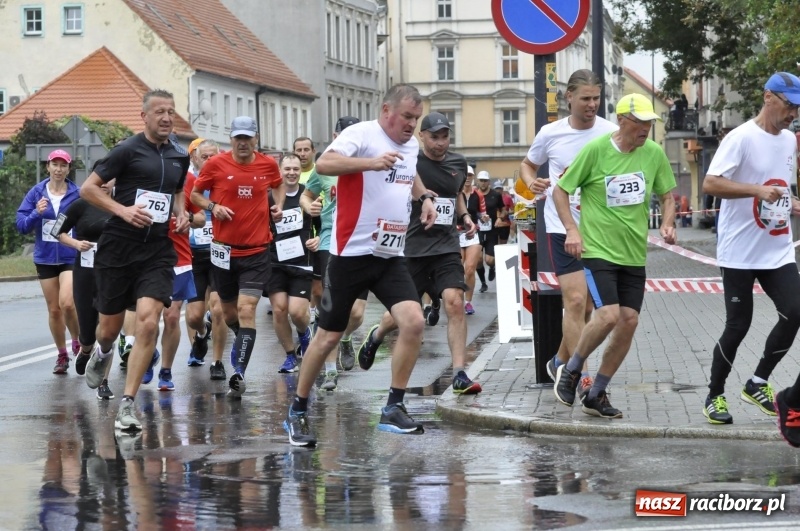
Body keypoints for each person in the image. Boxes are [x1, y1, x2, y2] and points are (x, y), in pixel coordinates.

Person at [283, 84, 437, 447]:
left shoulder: (410, 144)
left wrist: (425, 197)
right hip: (349, 256)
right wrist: (370, 162)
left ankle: (393, 408)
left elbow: (409, 172)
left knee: (413, 322)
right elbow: (324, 164)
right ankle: (298, 410)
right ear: (387, 110)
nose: (412, 126)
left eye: (416, 119)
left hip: (388, 255)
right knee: (328, 338)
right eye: (407, 118)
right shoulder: (361, 134)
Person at [552, 93, 676, 419]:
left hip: (634, 255)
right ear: (622, 120)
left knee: (629, 321)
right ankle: (571, 371)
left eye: (650, 123)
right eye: (640, 122)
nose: (646, 129)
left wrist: (667, 222)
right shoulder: (595, 151)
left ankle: (596, 394)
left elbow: (668, 196)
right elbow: (560, 190)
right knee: (606, 315)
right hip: (598, 251)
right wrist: (572, 230)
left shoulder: (653, 154)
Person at [80, 89, 191, 432]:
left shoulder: (179, 155)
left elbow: (178, 190)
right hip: (118, 249)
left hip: (157, 250)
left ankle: (127, 405)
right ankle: (101, 352)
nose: (166, 117)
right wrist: (123, 211)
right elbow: (88, 189)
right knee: (109, 329)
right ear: (143, 116)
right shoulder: (127, 150)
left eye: (170, 112)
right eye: (159, 111)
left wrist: (182, 212)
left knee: (147, 322)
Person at [699, 72, 800, 430]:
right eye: (789, 105)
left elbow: (781, 187)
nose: (793, 113)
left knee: (795, 310)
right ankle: (714, 394)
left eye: (798, 107)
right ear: (768, 97)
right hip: (739, 251)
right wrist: (756, 191)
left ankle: (757, 382)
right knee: (738, 326)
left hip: (777, 248)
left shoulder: (789, 141)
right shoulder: (740, 137)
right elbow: (711, 183)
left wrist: (793, 203)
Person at [360, 111, 481, 394]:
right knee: (399, 316)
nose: (441, 143)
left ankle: (459, 374)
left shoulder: (458, 163)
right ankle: (376, 336)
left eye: (445, 136)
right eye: (434, 137)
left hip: (446, 246)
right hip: (411, 250)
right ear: (422, 136)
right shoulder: (410, 161)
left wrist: (464, 217)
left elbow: (457, 195)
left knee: (454, 301)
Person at [518, 69, 619, 395]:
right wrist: (532, 182)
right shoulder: (551, 133)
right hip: (563, 227)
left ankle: (560, 359)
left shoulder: (611, 133)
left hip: (600, 230)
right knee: (575, 301)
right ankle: (582, 377)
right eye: (586, 98)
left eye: (596, 98)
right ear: (569, 98)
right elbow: (528, 165)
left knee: (590, 309)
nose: (592, 105)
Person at [191, 116, 285, 399]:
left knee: (246, 310)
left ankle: (239, 371)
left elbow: (278, 184)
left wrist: (277, 206)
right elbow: (196, 195)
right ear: (230, 139)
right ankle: (243, 337)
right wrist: (213, 206)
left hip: (257, 251)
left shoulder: (267, 164)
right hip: (222, 251)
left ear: (256, 138)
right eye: (238, 138)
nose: (243, 143)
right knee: (227, 312)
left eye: (248, 137)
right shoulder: (215, 165)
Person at [301, 116, 367, 389]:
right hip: (332, 242)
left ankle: (347, 338)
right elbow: (307, 194)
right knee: (332, 307)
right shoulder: (324, 165)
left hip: (362, 242)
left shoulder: (368, 164)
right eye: (344, 135)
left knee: (357, 312)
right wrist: (309, 207)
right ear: (335, 134)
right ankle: (329, 370)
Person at [16, 149, 82, 374]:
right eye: (55, 164)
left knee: (67, 303)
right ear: (48, 167)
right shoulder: (36, 193)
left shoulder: (77, 193)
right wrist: (36, 213)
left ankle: (77, 341)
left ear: (68, 169)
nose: (59, 169)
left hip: (69, 256)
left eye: (63, 165)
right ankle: (62, 355)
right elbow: (22, 225)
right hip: (45, 258)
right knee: (54, 310)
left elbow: (88, 218)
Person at [52, 177, 115, 399]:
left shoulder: (121, 204)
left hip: (112, 274)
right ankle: (86, 350)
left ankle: (103, 382)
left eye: (110, 180)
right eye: (101, 179)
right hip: (85, 273)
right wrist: (76, 244)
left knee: (107, 329)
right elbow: (57, 231)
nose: (105, 184)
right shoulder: (80, 204)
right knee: (88, 331)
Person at [184, 139, 228, 381]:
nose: (209, 161)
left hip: (221, 252)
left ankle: (217, 361)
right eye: (204, 157)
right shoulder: (190, 184)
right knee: (193, 316)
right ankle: (202, 332)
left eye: (213, 156)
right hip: (194, 253)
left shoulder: (226, 182)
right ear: (195, 159)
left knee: (219, 308)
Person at [266, 153, 314, 374]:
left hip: (301, 261)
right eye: (287, 169)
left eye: (295, 169)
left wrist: (318, 239)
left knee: (296, 312)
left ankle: (304, 333)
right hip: (275, 262)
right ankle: (289, 356)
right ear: (280, 170)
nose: (292, 173)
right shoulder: (270, 196)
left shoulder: (308, 193)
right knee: (279, 310)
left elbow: (323, 223)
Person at [155, 185, 206, 391]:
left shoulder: (187, 182)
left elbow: (201, 219)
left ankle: (165, 371)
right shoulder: (142, 178)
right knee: (149, 317)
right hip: (149, 259)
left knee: (172, 316)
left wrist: (189, 218)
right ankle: (149, 354)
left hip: (179, 259)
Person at [460, 168, 488, 315]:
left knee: (470, 269)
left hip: (473, 233)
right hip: (456, 233)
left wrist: (485, 217)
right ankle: (456, 300)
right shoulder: (455, 192)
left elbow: (483, 213)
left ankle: (468, 303)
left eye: (470, 175)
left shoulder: (478, 195)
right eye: (465, 175)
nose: (468, 178)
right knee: (458, 269)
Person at [475, 171, 503, 291]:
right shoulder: (474, 195)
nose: (483, 183)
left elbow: (503, 209)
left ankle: (492, 268)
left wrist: (500, 218)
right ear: (478, 181)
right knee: (478, 259)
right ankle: (483, 283)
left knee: (489, 260)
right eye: (481, 180)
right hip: (478, 231)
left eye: (485, 180)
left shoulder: (495, 195)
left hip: (492, 231)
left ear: (488, 182)